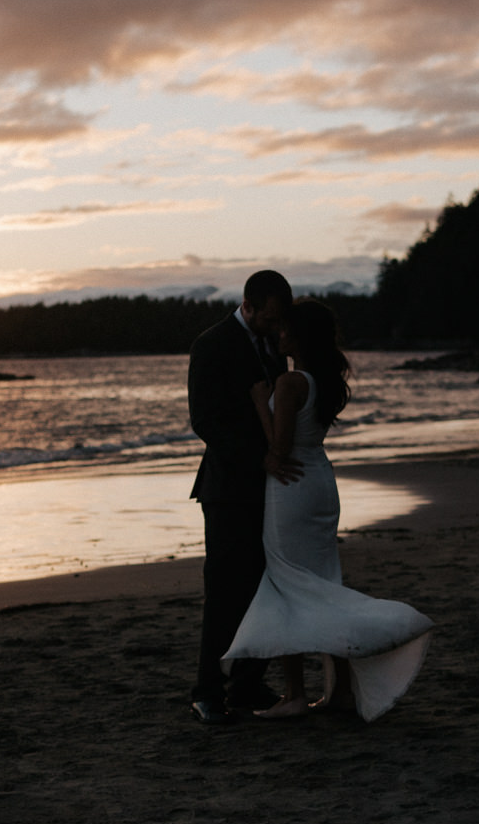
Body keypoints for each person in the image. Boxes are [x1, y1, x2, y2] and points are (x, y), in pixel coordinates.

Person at [223, 298, 433, 721]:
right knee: (323, 585)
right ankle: (339, 694)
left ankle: (296, 694)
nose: (277, 335)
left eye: (283, 329)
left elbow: (279, 450)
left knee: (288, 587)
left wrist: (258, 403)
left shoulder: (288, 383)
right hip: (319, 480)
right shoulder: (323, 378)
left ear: (297, 335)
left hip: (290, 488)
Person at [186, 269, 300, 724]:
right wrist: (261, 458)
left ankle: (249, 684)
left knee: (266, 587)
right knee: (225, 592)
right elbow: (205, 422)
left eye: (280, 321)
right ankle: (207, 690)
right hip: (228, 488)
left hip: (271, 488)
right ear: (247, 305)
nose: (275, 328)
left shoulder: (275, 345)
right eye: (269, 318)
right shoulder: (211, 345)